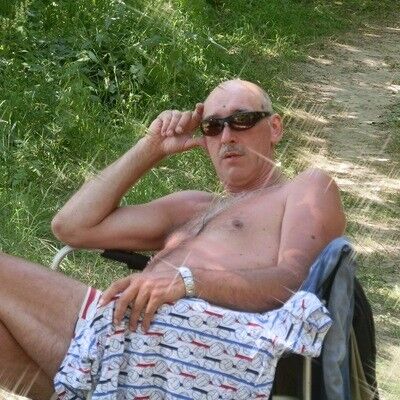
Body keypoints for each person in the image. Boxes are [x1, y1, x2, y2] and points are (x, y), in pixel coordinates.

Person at [0, 79, 345, 399]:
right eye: (213, 126)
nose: (227, 136)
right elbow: (70, 226)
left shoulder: (305, 188)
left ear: (275, 127)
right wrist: (151, 147)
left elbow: (297, 283)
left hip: (199, 357)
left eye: (242, 120)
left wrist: (188, 282)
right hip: (137, 355)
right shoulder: (191, 207)